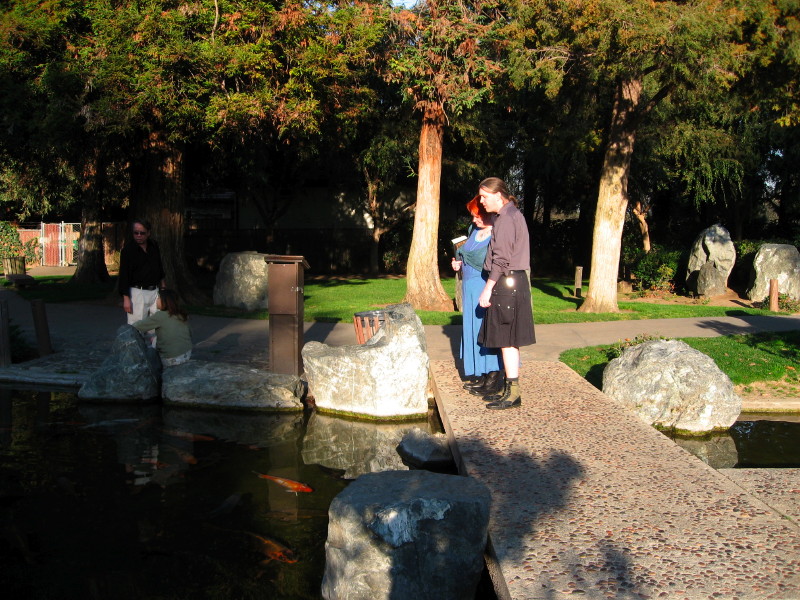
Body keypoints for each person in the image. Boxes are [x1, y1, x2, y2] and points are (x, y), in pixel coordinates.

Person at [477, 177, 536, 410]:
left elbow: (501, 260)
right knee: (506, 340)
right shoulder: (509, 216)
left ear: (498, 195)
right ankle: (510, 391)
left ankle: (513, 394)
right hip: (511, 281)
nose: (481, 201)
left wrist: (487, 288)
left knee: (508, 340)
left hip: (506, 282)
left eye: (484, 196)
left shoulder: (506, 219)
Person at [451, 197, 503, 395]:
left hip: (484, 286)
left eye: (477, 216)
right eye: (473, 216)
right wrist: (457, 264)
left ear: (488, 213)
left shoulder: (498, 233)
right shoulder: (473, 231)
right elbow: (463, 255)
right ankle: (480, 373)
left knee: (486, 330)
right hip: (469, 287)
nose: (474, 220)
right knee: (473, 330)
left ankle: (493, 375)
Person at [118, 219, 166, 326]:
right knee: (137, 325)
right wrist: (126, 298)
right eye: (136, 233)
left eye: (142, 233)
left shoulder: (153, 246)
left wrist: (163, 288)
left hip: (154, 290)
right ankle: (137, 343)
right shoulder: (128, 250)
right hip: (137, 292)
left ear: (148, 233)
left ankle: (154, 343)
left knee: (157, 324)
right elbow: (124, 275)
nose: (139, 235)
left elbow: (159, 266)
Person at [132, 289, 193, 367]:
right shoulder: (181, 314)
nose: (156, 300)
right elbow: (190, 333)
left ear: (165, 301)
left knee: (150, 350)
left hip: (172, 358)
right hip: (187, 352)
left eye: (158, 298)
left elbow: (137, 326)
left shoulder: (160, 316)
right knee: (155, 339)